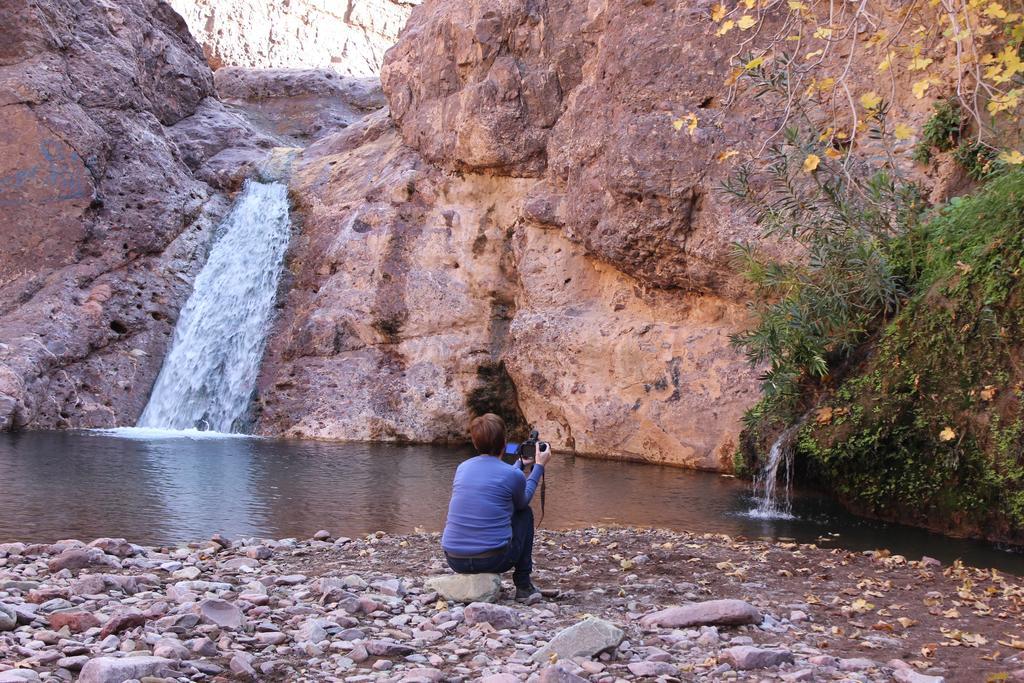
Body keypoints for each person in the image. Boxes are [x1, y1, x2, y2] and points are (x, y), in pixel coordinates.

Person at [441, 413, 551, 604]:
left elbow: (497, 479)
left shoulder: (462, 468)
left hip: (455, 559)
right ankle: (523, 585)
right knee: (524, 513)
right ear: (504, 442)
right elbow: (522, 501)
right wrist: (538, 467)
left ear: (475, 443)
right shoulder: (510, 475)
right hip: (493, 559)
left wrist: (519, 465)